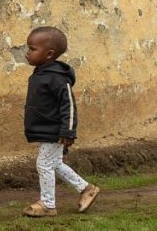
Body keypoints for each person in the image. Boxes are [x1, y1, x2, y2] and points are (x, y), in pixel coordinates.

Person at [22, 26, 100, 217]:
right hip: (46, 129)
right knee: (54, 163)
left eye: (32, 49)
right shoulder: (41, 73)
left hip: (55, 130)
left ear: (49, 54)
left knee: (44, 164)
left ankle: (48, 204)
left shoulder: (57, 78)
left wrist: (68, 131)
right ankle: (86, 188)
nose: (27, 53)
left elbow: (69, 106)